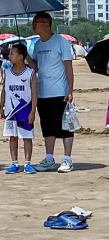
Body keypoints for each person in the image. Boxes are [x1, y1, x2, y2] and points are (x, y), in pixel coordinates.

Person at [31, 12, 75, 172]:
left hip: (60, 92)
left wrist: (70, 90)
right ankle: (49, 158)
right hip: (42, 93)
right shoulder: (37, 45)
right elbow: (36, 66)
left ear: (45, 24)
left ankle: (67, 159)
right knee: (47, 127)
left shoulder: (61, 41)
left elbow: (68, 67)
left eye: (36, 22)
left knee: (65, 127)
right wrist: (26, 56)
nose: (34, 25)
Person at [2, 41, 38, 174]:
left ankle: (27, 163)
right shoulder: (6, 72)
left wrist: (33, 111)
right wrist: (1, 106)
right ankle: (14, 163)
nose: (9, 56)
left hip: (25, 110)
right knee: (12, 137)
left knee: (27, 137)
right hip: (10, 111)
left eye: (12, 53)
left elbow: (34, 93)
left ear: (21, 56)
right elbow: (4, 91)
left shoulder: (30, 73)